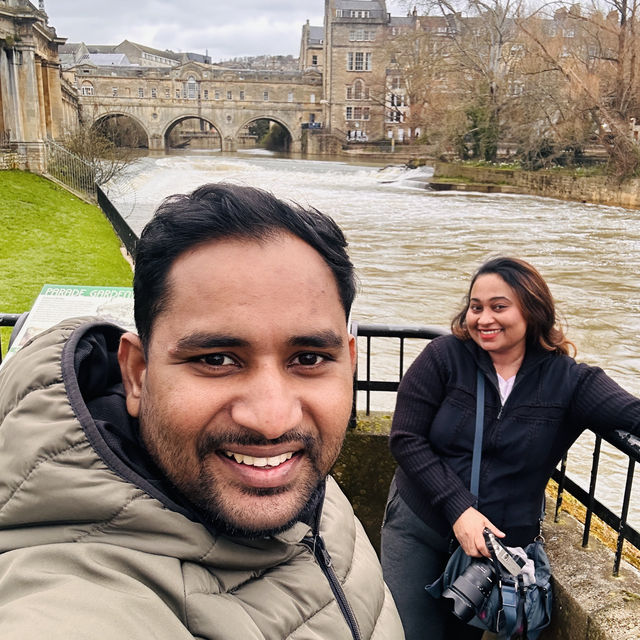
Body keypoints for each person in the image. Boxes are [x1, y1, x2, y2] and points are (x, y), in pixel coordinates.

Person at [0, 183, 403, 639]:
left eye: (308, 359)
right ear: (136, 374)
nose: (273, 420)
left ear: (348, 362)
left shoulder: (309, 489)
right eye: (215, 359)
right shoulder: (70, 608)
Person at [380, 256, 640, 640]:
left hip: (490, 548)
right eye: (476, 307)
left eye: (499, 307)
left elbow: (632, 413)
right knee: (405, 632)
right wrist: (459, 509)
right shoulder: (444, 357)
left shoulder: (569, 381)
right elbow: (405, 437)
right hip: (420, 523)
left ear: (532, 311)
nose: (484, 319)